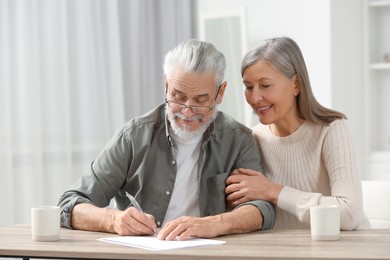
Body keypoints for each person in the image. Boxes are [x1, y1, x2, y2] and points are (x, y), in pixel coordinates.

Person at [58, 39, 275, 241]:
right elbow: (69, 204)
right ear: (165, 85)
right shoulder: (133, 137)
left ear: (220, 93)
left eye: (200, 100)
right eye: (178, 97)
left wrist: (213, 224)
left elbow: (261, 209)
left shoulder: (238, 140)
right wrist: (113, 220)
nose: (187, 112)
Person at [225, 37, 368, 230]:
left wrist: (273, 191)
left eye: (265, 85)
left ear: (296, 85)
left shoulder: (331, 129)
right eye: (249, 87)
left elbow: (349, 215)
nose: (255, 97)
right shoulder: (251, 140)